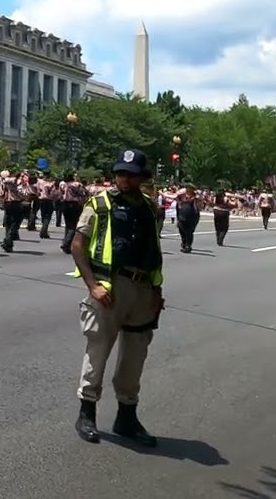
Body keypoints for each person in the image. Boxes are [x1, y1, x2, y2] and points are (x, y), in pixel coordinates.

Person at [70, 148, 164, 447]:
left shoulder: (151, 208)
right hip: (110, 286)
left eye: (130, 174)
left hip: (142, 288)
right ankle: (87, 412)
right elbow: (77, 245)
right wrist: (92, 286)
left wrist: (157, 290)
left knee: (135, 355)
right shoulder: (99, 204)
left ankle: (127, 416)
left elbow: (154, 251)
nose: (124, 178)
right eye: (120, 173)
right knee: (98, 349)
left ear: (141, 177)